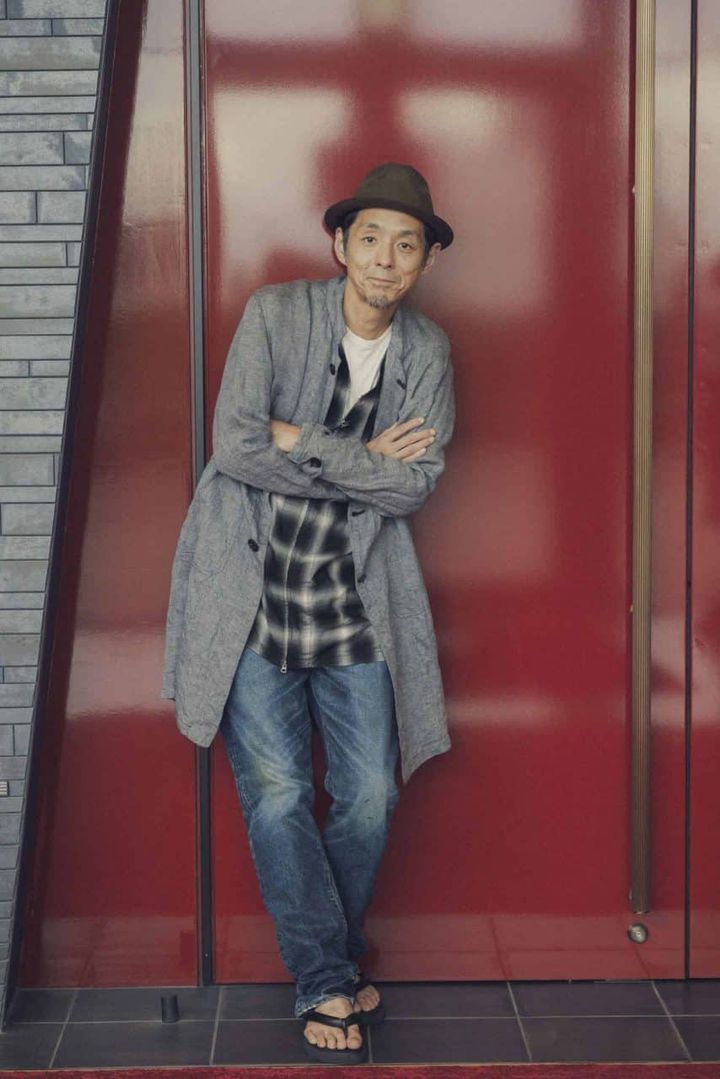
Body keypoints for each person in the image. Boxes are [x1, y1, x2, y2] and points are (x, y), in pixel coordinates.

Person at [160, 162, 456, 1064]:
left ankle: (326, 954)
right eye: (370, 239)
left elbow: (414, 486)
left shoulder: (427, 352)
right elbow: (235, 445)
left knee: (369, 792)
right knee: (280, 793)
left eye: (406, 244)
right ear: (340, 245)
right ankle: (327, 977)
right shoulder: (275, 313)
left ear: (425, 262)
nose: (386, 258)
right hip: (251, 600)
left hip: (354, 602)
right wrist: (357, 457)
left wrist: (304, 443)